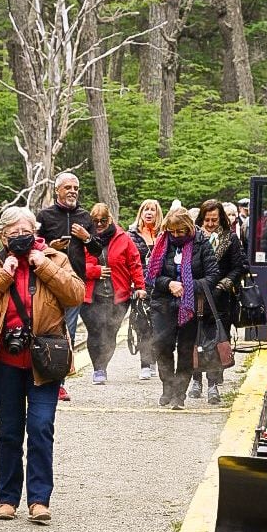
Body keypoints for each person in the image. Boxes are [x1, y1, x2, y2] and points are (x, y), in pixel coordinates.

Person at [0, 206, 84, 524]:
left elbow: (75, 295)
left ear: (36, 232)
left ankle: (40, 500)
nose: (20, 237)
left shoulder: (56, 259)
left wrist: (42, 266)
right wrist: (5, 274)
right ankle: (7, 498)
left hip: (45, 361)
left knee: (41, 427)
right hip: (5, 361)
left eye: (26, 231)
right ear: (2, 236)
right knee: (10, 431)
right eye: (13, 233)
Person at [35, 172, 101, 402]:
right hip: (47, 283)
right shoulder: (45, 216)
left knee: (68, 334)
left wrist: (86, 237)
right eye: (68, 187)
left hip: (73, 284)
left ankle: (59, 384)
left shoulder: (85, 217)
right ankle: (41, 378)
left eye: (76, 187)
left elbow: (97, 250)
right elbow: (34, 245)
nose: (73, 191)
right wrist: (50, 247)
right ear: (57, 191)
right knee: (45, 331)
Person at [146, 207, 219, 410]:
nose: (176, 235)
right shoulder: (162, 243)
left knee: (186, 350)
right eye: (172, 231)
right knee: (162, 346)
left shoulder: (201, 243)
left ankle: (180, 393)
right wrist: (169, 283)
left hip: (191, 305)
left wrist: (188, 286)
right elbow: (151, 276)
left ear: (188, 228)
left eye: (180, 231)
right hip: (163, 303)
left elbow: (212, 276)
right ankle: (167, 387)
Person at [81, 203, 146, 384]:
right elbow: (74, 264)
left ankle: (104, 364)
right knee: (94, 331)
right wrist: (94, 271)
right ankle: (98, 369)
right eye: (95, 221)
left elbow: (134, 263)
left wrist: (140, 287)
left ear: (110, 219)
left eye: (103, 220)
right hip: (90, 296)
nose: (99, 224)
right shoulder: (83, 238)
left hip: (118, 296)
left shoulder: (123, 238)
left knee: (110, 332)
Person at [189, 200, 246, 404]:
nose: (211, 224)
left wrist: (224, 284)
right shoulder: (193, 238)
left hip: (221, 298)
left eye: (215, 220)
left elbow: (240, 266)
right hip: (195, 295)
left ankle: (213, 383)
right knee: (193, 339)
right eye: (207, 220)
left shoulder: (230, 239)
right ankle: (196, 380)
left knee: (216, 341)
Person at [127, 199, 164, 379]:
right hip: (140, 286)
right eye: (146, 210)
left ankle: (155, 357)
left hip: (160, 286)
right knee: (142, 326)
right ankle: (145, 363)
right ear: (141, 213)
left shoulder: (164, 234)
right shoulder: (131, 235)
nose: (149, 213)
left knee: (158, 325)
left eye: (153, 210)